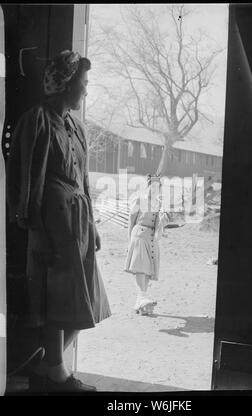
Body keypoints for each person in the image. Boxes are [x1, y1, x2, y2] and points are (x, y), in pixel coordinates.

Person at [6, 50, 111, 392]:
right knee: (58, 302)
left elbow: (83, 178)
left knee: (84, 303)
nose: (84, 91)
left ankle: (46, 366)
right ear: (65, 85)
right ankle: (56, 374)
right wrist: (33, 226)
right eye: (82, 85)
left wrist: (92, 224)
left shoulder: (76, 126)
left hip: (77, 223)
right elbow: (21, 177)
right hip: (50, 224)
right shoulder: (36, 119)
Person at [124, 174, 170, 315]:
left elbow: (159, 227)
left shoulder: (160, 204)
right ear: (148, 185)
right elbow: (131, 221)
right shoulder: (139, 199)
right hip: (138, 235)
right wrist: (129, 241)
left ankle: (140, 303)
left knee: (147, 271)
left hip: (151, 239)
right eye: (152, 186)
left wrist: (163, 220)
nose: (154, 189)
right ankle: (142, 298)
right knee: (141, 268)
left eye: (158, 187)